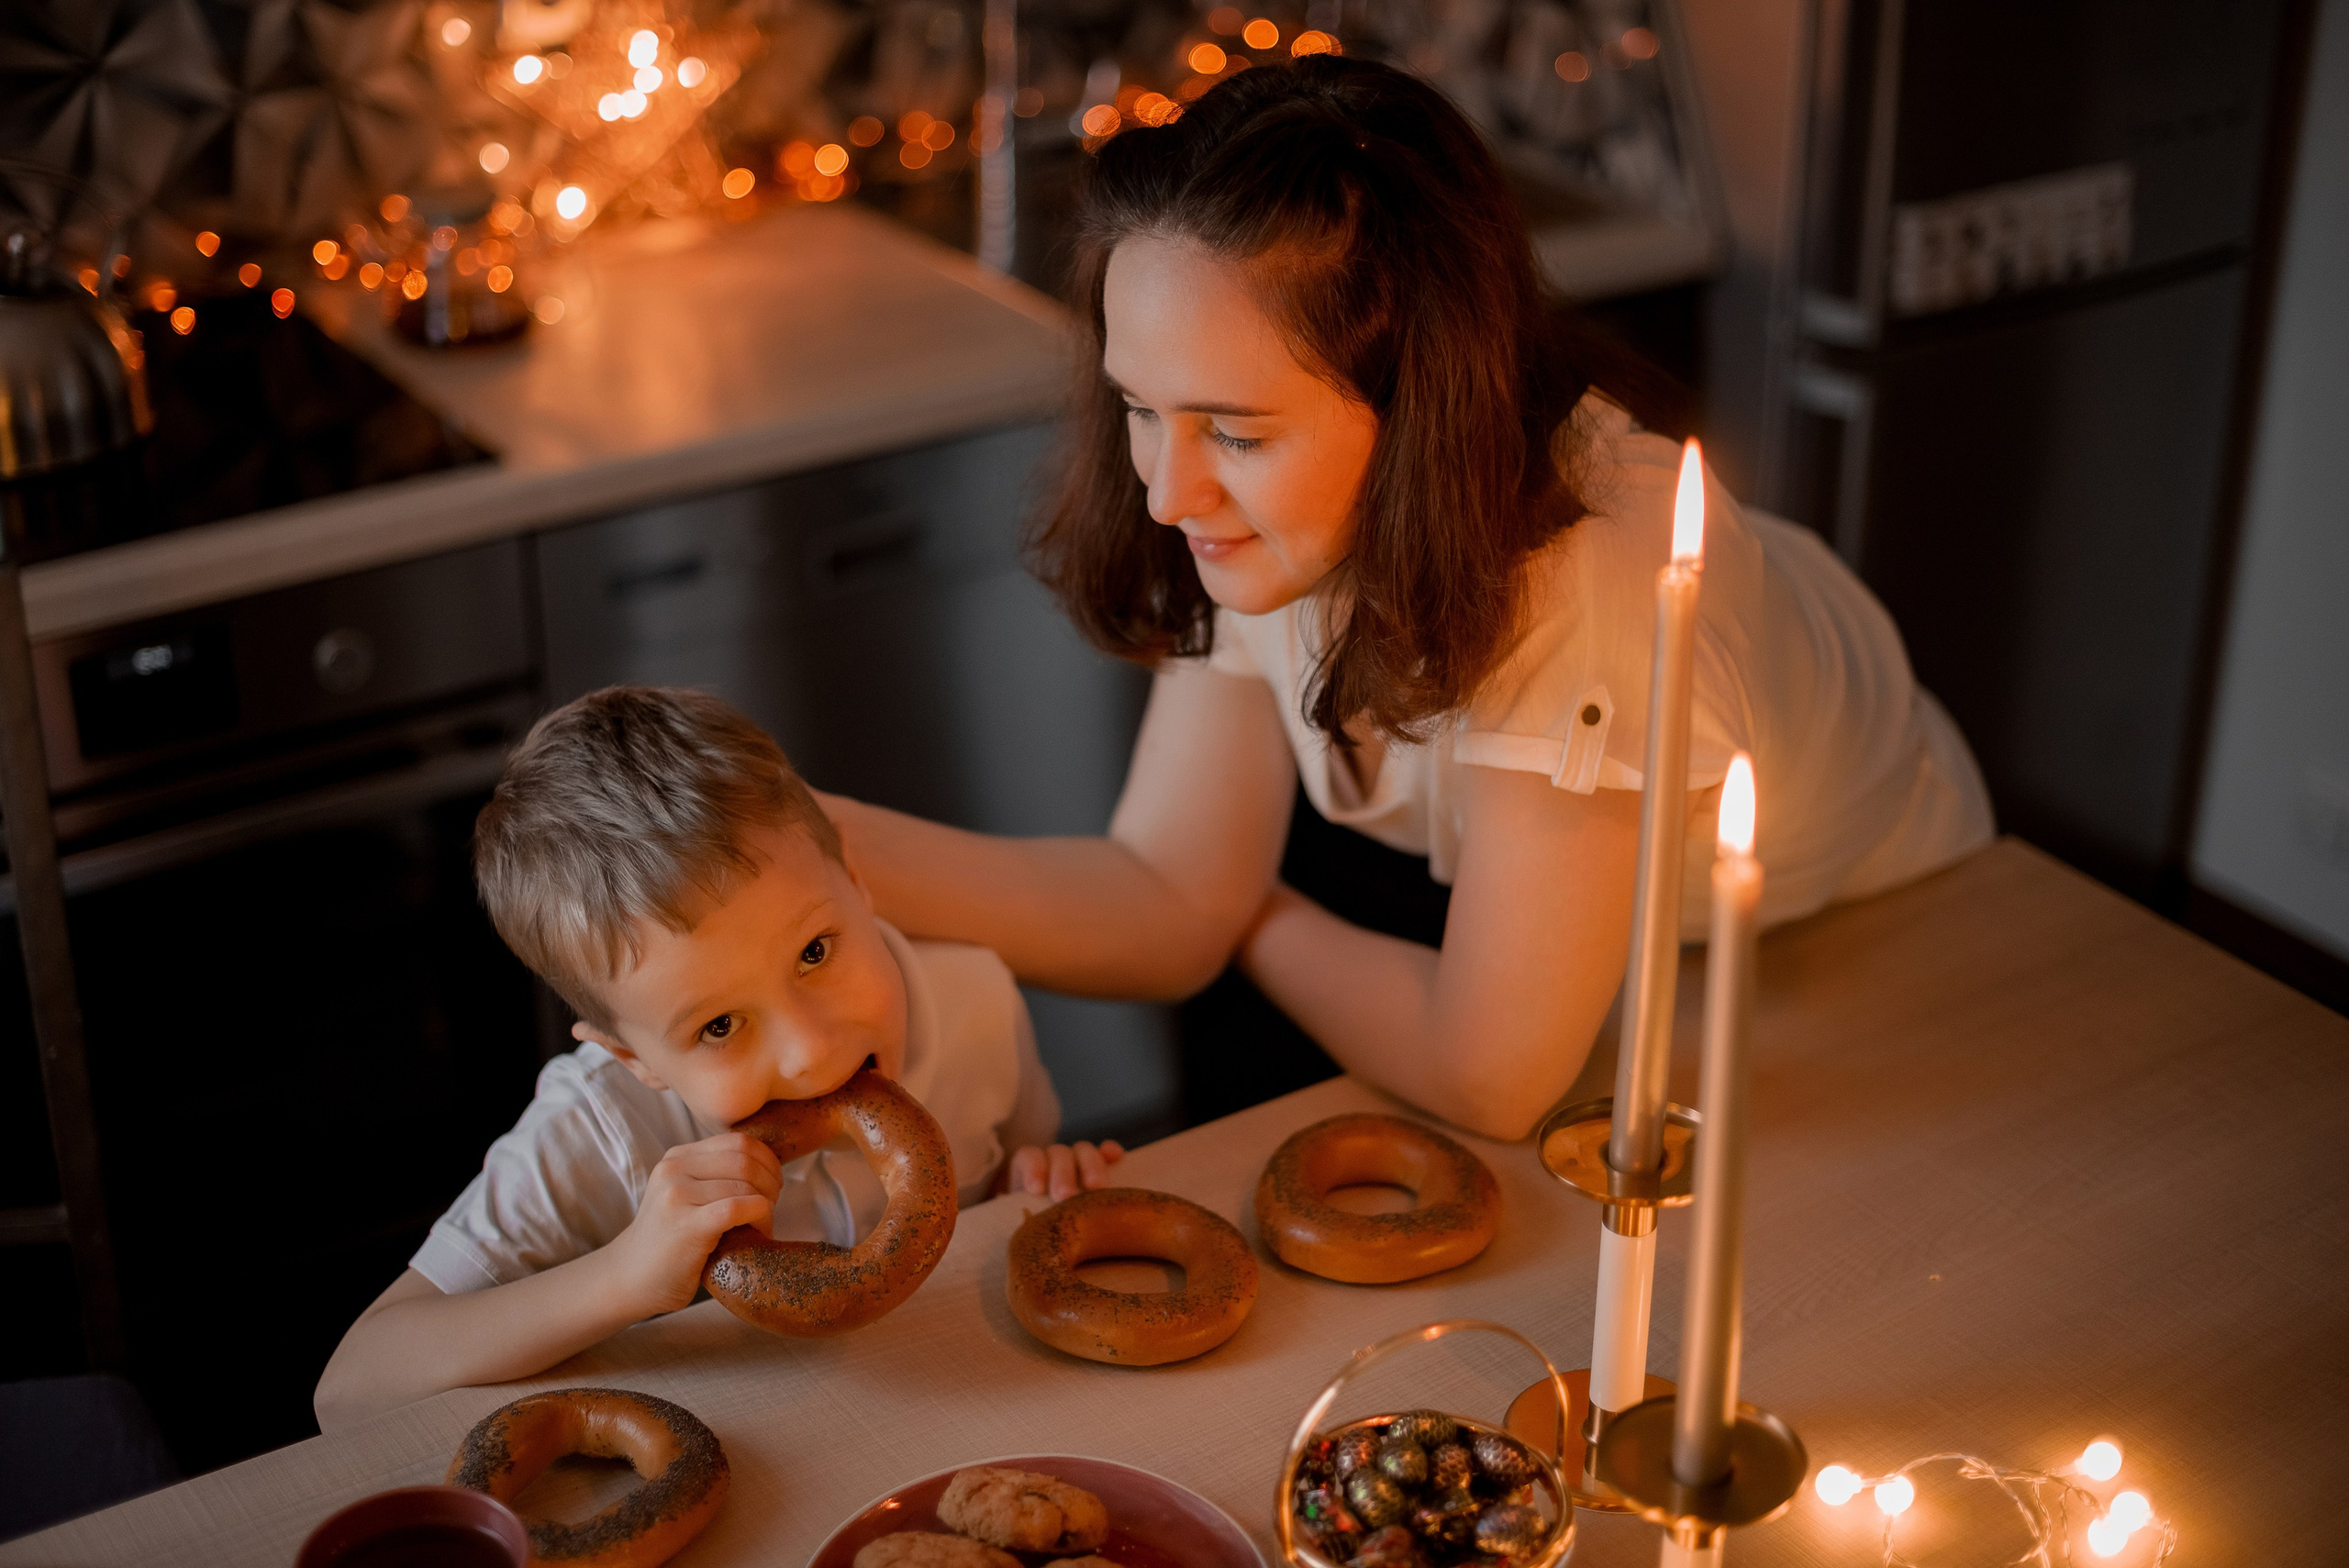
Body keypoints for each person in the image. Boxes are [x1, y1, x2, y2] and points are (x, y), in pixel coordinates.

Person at [819, 57, 1992, 1142]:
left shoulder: (1586, 591)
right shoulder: (1264, 514)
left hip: (1877, 931)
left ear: (1419, 404)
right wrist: (815, 842)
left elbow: (1491, 1074)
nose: (1168, 493)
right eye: (1139, 406)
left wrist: (1238, 910)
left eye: (1232, 429)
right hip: (1629, 943)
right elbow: (1164, 887)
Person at [314, 687, 1116, 1429]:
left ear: (858, 885)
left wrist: (1040, 1182)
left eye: (814, 950)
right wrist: (623, 1276)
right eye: (721, 1026)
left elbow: (1020, 1174)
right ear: (635, 1056)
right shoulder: (599, 1129)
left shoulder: (977, 1000)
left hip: (976, 1412)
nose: (810, 1051)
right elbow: (352, 1388)